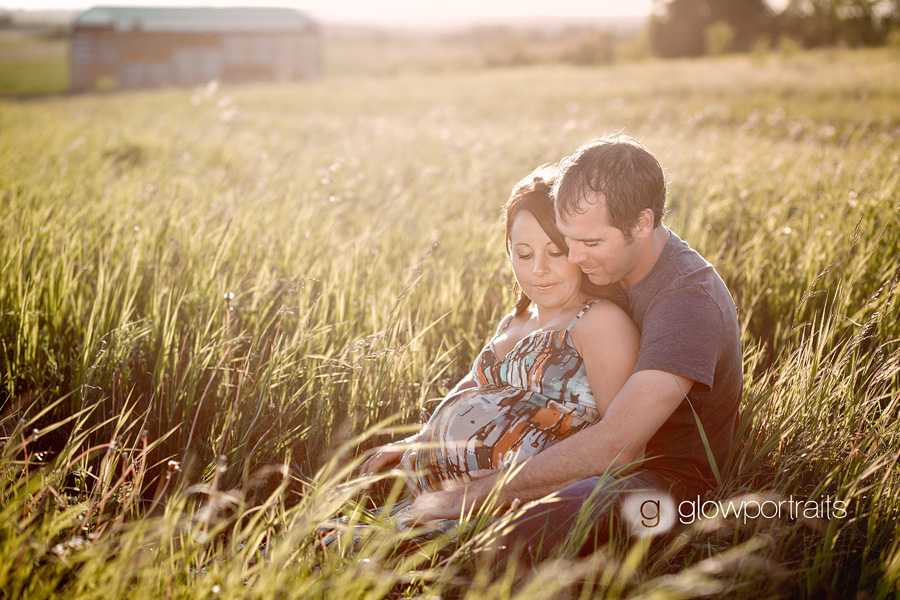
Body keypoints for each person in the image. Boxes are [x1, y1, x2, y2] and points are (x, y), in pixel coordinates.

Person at [408, 135, 743, 560]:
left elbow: (619, 448)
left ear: (642, 223)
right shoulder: (610, 264)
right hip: (592, 455)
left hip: (660, 483)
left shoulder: (688, 302)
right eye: (569, 239)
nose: (574, 256)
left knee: (509, 539)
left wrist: (471, 495)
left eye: (590, 243)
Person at [359, 165, 641, 502]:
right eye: (524, 254)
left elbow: (622, 446)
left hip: (510, 512)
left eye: (555, 252)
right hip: (432, 504)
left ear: (579, 251)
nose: (538, 269)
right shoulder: (515, 319)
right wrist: (418, 440)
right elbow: (472, 391)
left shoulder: (599, 322)